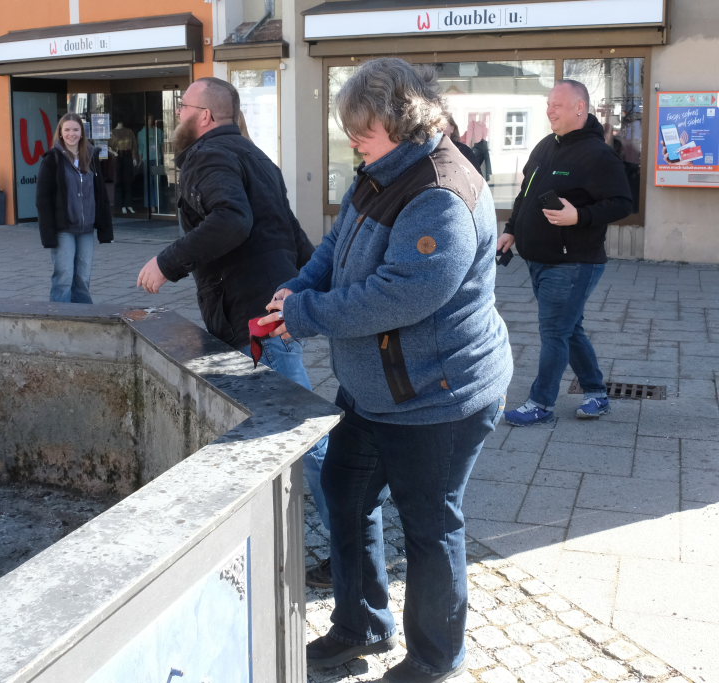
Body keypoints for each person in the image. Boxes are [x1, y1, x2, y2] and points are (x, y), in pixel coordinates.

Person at [259, 58, 511, 682]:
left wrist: (308, 315)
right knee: (346, 496)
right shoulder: (380, 171)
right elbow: (335, 247)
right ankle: (362, 625)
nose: (353, 140)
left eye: (362, 129)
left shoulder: (441, 194)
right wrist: (299, 288)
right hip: (376, 391)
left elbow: (401, 295)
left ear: (404, 122)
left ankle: (435, 658)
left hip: (436, 396)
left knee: (430, 527)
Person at [135, 77, 332, 578]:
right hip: (267, 311)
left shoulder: (208, 156)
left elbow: (232, 221)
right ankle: (274, 525)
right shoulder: (254, 156)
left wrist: (166, 262)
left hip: (255, 318)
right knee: (278, 422)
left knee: (303, 431)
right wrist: (310, 286)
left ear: (204, 115)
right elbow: (291, 233)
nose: (177, 115)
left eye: (183, 106)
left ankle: (350, 545)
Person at [498, 79, 633, 426]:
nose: (550, 111)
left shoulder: (598, 154)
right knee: (569, 329)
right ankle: (596, 393)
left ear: (579, 108)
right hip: (538, 259)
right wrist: (511, 229)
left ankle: (540, 403)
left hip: (572, 263)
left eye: (557, 105)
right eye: (548, 104)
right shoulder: (546, 146)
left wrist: (580, 216)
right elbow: (525, 193)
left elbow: (622, 203)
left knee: (555, 332)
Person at [36, 113, 113, 304]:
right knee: (64, 276)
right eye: (67, 130)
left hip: (86, 228)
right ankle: (60, 315)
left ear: (82, 133)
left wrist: (105, 228)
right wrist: (48, 234)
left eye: (76, 130)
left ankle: (84, 314)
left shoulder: (91, 157)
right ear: (60, 133)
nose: (72, 134)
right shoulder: (52, 159)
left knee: (83, 277)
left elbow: (100, 194)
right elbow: (43, 199)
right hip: (64, 228)